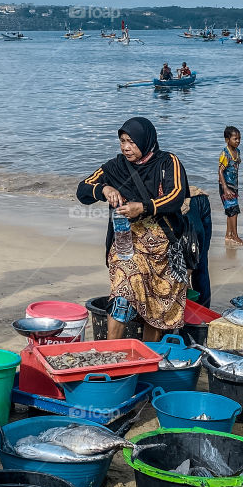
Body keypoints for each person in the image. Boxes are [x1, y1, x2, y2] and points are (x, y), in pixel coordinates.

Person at [76, 117, 189, 340]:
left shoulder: (167, 162)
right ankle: (110, 351)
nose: (126, 147)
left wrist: (144, 207)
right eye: (122, 141)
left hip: (163, 249)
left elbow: (177, 195)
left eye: (132, 142)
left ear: (145, 141)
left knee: (157, 305)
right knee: (122, 292)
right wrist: (104, 189)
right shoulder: (114, 167)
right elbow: (83, 190)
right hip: (126, 245)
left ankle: (148, 352)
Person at [218, 125, 243, 245]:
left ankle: (228, 235)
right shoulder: (225, 154)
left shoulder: (237, 152)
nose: (238, 141)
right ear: (227, 140)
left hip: (234, 186)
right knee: (234, 211)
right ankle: (235, 236)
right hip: (226, 186)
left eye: (239, 138)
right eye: (235, 139)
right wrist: (225, 188)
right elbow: (220, 171)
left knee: (230, 210)